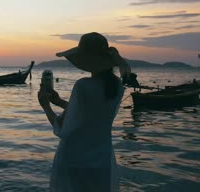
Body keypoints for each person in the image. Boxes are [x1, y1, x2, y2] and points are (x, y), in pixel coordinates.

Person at [38, 32, 131, 192]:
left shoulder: (83, 86)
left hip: (74, 160)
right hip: (102, 161)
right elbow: (91, 115)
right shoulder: (117, 87)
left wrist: (45, 106)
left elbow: (63, 129)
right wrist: (59, 101)